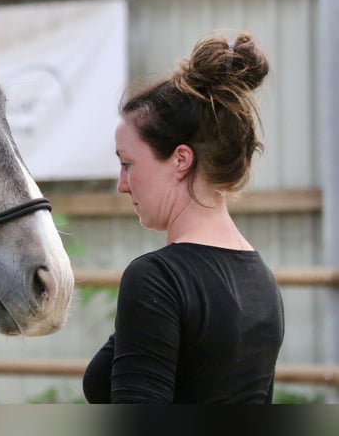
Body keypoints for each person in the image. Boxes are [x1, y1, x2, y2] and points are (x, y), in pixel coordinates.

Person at [82, 31, 284, 404]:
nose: (122, 185)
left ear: (180, 160)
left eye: (128, 164)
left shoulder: (158, 279)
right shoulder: (261, 281)